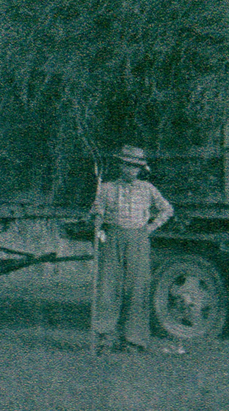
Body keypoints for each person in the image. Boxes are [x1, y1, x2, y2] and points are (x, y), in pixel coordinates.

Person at [89, 145, 174, 353]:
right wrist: (97, 219)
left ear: (140, 169)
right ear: (120, 166)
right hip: (113, 238)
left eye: (135, 167)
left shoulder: (148, 189)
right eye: (127, 166)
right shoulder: (106, 188)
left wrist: (150, 228)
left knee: (137, 288)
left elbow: (167, 209)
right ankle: (105, 337)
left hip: (138, 239)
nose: (130, 170)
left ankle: (134, 340)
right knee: (108, 287)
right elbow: (96, 210)